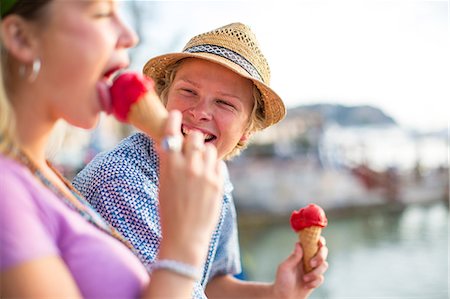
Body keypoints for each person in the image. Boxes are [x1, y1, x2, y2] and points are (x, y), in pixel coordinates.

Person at [74, 22, 329, 298]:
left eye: (225, 103)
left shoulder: (216, 174)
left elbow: (209, 283)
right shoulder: (121, 180)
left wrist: (277, 293)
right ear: (164, 98)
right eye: (188, 91)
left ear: (246, 131)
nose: (199, 112)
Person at [0, 1, 225, 298]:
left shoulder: (38, 172)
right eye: (102, 13)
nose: (130, 35)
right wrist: (183, 249)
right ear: (21, 38)